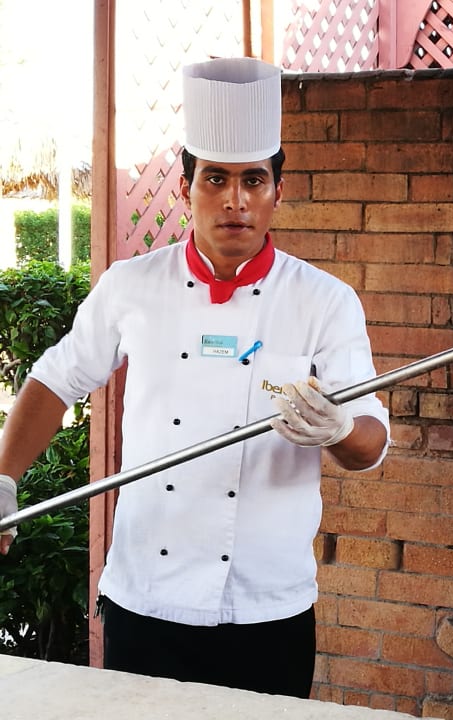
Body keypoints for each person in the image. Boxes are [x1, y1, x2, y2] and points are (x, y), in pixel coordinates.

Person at [0, 57, 389, 698]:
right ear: (187, 188)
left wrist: (340, 427)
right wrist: (6, 476)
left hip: (268, 607)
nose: (235, 200)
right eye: (216, 179)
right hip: (145, 600)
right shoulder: (131, 286)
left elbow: (372, 443)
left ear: (277, 192)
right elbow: (55, 379)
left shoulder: (325, 300)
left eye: (253, 181)